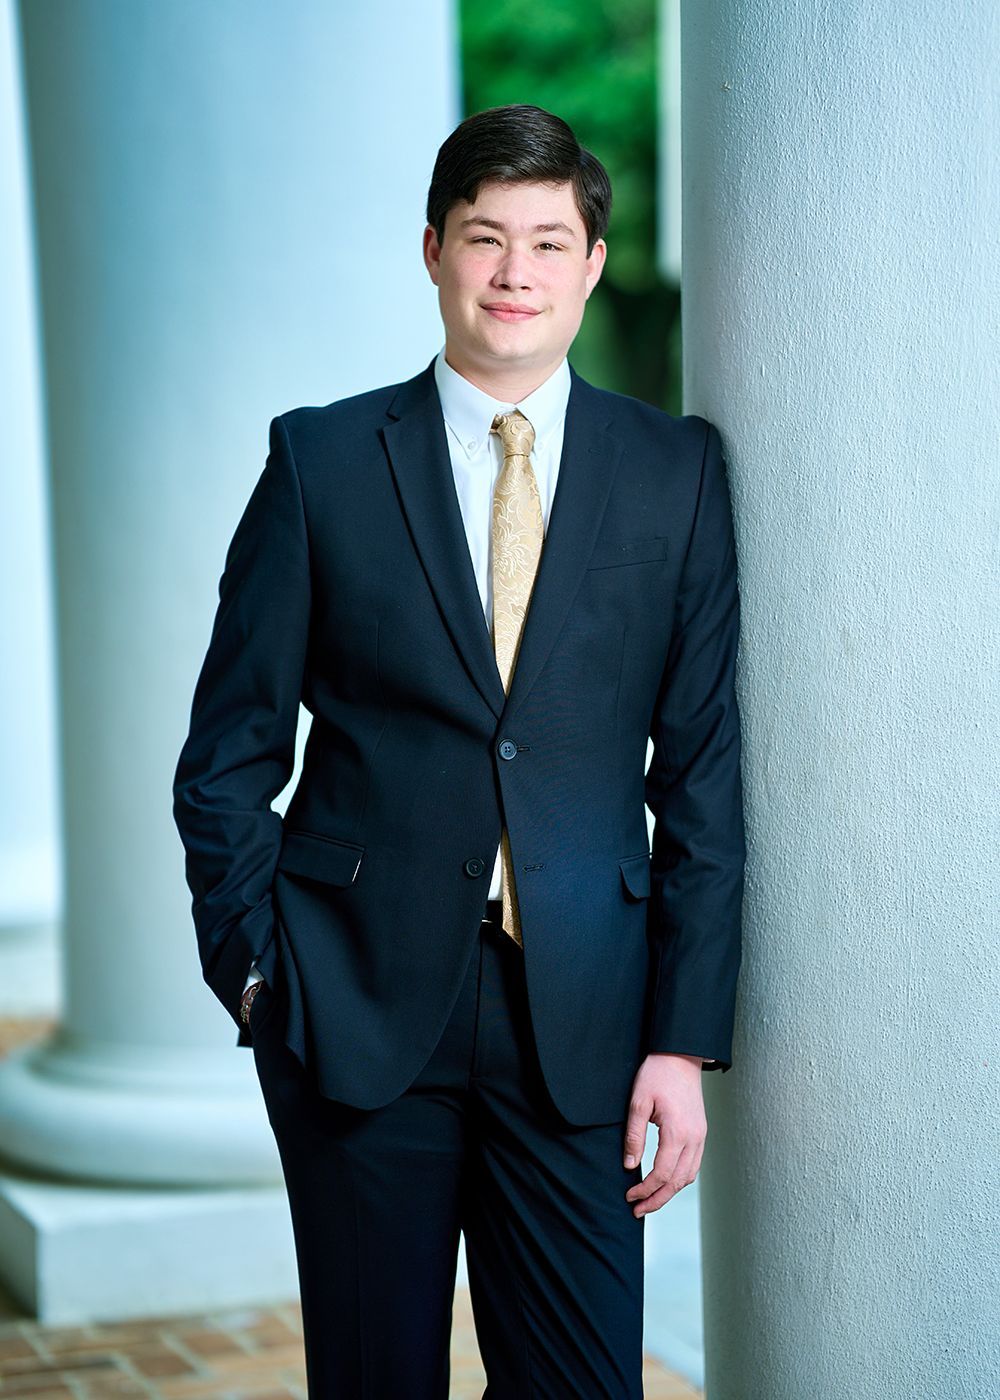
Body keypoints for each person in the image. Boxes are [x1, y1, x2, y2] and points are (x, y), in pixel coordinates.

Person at [173, 103, 744, 1400]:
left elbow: (702, 778)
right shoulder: (320, 462)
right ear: (432, 249)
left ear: (593, 264)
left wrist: (683, 1038)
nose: (514, 274)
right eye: (486, 238)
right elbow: (227, 753)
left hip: (586, 1024)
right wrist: (262, 978)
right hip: (355, 1012)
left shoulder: (678, 476)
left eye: (549, 242)